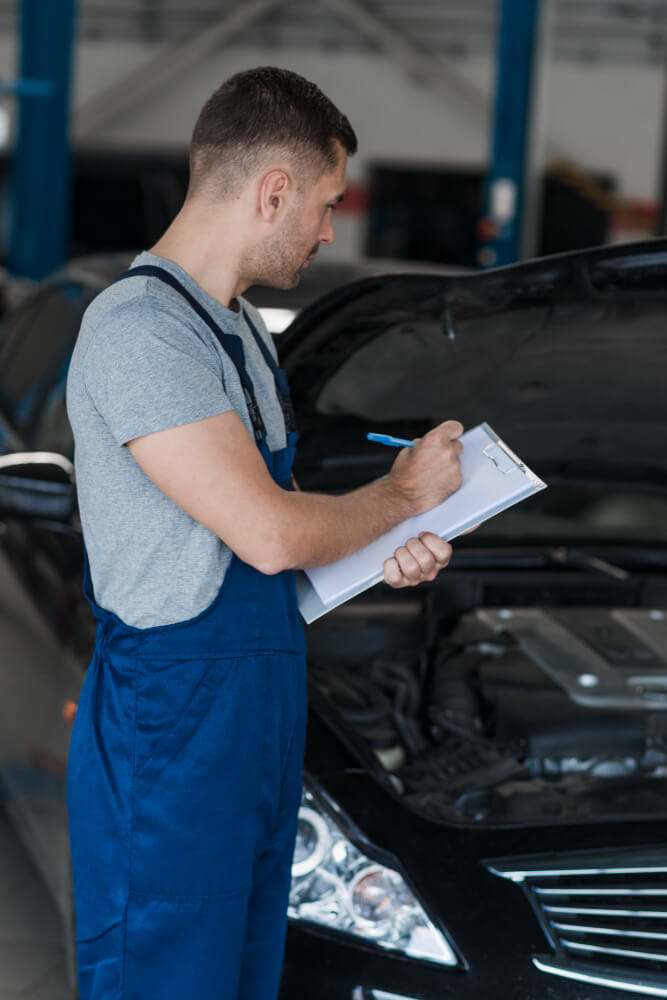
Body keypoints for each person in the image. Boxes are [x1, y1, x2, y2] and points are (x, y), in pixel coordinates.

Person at [65, 67, 463, 1000]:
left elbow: (261, 558)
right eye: (326, 205)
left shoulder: (241, 329)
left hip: (253, 722)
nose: (330, 230)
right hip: (172, 738)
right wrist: (399, 497)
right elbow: (271, 535)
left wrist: (377, 549)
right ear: (272, 191)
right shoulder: (139, 333)